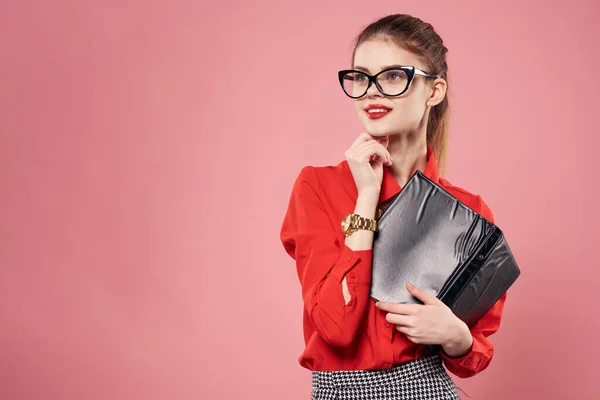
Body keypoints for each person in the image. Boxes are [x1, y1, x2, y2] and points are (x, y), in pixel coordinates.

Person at [280, 13, 507, 400]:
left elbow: (475, 352)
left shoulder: (468, 211)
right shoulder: (316, 187)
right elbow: (335, 325)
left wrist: (456, 336)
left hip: (427, 389)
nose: (371, 91)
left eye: (392, 76)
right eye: (361, 77)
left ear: (434, 91)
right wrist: (366, 200)